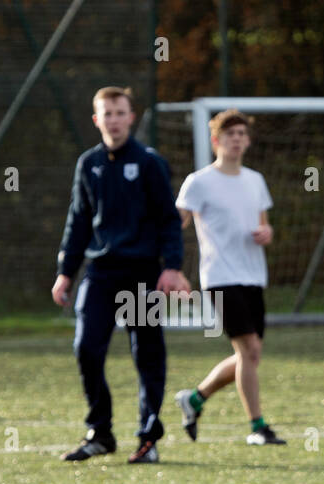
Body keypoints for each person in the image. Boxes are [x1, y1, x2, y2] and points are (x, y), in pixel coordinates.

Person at [53, 86, 190, 463]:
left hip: (142, 274)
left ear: (131, 117)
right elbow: (78, 221)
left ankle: (148, 437)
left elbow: (168, 220)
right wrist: (65, 272)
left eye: (120, 112)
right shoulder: (88, 164)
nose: (113, 119)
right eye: (106, 114)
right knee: (86, 347)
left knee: (145, 353)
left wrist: (172, 268)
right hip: (100, 274)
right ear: (97, 120)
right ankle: (100, 431)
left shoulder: (149, 162)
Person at [173, 109, 283, 446]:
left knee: (249, 356)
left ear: (248, 140)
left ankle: (195, 398)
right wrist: (171, 267)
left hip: (253, 277)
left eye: (241, 134)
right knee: (248, 351)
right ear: (216, 139)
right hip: (219, 277)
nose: (236, 139)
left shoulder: (255, 180)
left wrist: (267, 232)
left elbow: (264, 224)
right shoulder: (199, 181)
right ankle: (258, 427)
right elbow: (176, 225)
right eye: (229, 133)